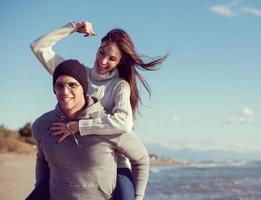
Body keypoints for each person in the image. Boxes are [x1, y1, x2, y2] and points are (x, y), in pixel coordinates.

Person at [30, 21, 167, 199]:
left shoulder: (119, 86)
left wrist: (78, 126)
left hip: (114, 161)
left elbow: (124, 123)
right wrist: (72, 27)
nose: (103, 61)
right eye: (102, 52)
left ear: (121, 61)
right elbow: (38, 47)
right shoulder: (76, 75)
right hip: (69, 159)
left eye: (112, 58)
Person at [28, 59, 149, 200]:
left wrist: (138, 196)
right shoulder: (41, 125)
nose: (65, 91)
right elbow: (42, 159)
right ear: (54, 89)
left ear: (84, 88)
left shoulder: (107, 125)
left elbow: (141, 159)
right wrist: (39, 189)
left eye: (73, 85)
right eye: (59, 85)